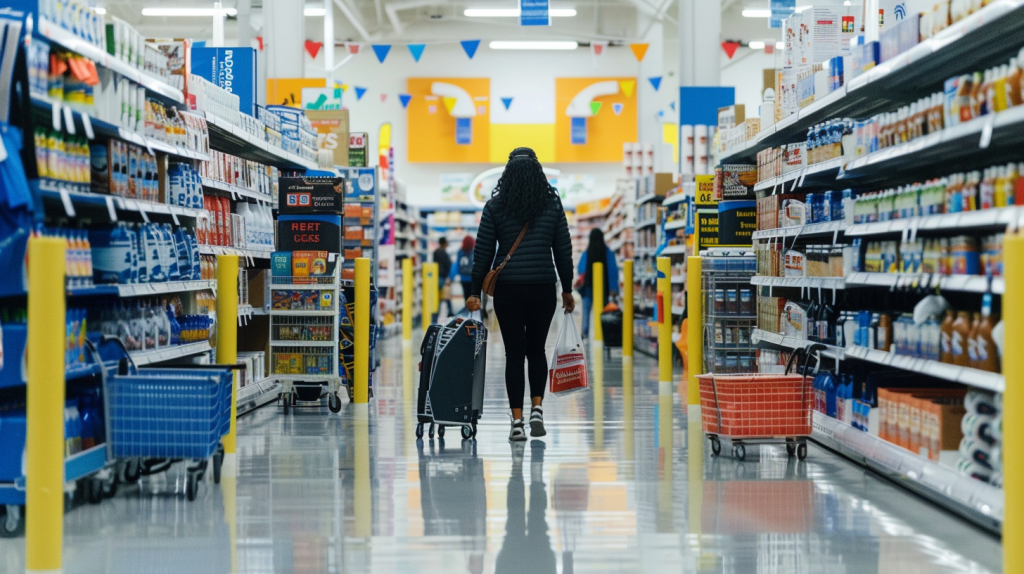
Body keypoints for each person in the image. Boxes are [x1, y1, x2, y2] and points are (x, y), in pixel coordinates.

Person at [467, 147, 574, 441]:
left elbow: (483, 254)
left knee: (514, 354)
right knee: (537, 349)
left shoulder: (496, 206)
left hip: (509, 289)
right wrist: (567, 288)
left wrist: (475, 291)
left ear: (507, 173)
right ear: (538, 171)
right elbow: (563, 251)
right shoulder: (552, 205)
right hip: (542, 286)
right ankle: (537, 408)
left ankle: (516, 421)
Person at [576, 228, 619, 339]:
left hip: (587, 289)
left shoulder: (587, 253)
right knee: (603, 312)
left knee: (586, 313)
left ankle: (584, 334)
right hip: (603, 289)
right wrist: (613, 289)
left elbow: (580, 269)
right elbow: (613, 272)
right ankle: (602, 334)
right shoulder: (608, 253)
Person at [449, 235, 486, 317]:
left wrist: (452, 277)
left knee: (467, 297)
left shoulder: (460, 252)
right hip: (473, 278)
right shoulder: (474, 251)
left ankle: (468, 315)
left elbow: (457, 265)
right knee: (475, 297)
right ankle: (476, 315)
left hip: (463, 278)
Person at [432, 237, 453, 322]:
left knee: (437, 297)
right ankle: (450, 313)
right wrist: (448, 276)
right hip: (442, 277)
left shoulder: (435, 252)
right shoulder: (444, 253)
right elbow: (448, 264)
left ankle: (435, 316)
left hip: (436, 277)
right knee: (445, 296)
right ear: (444, 243)